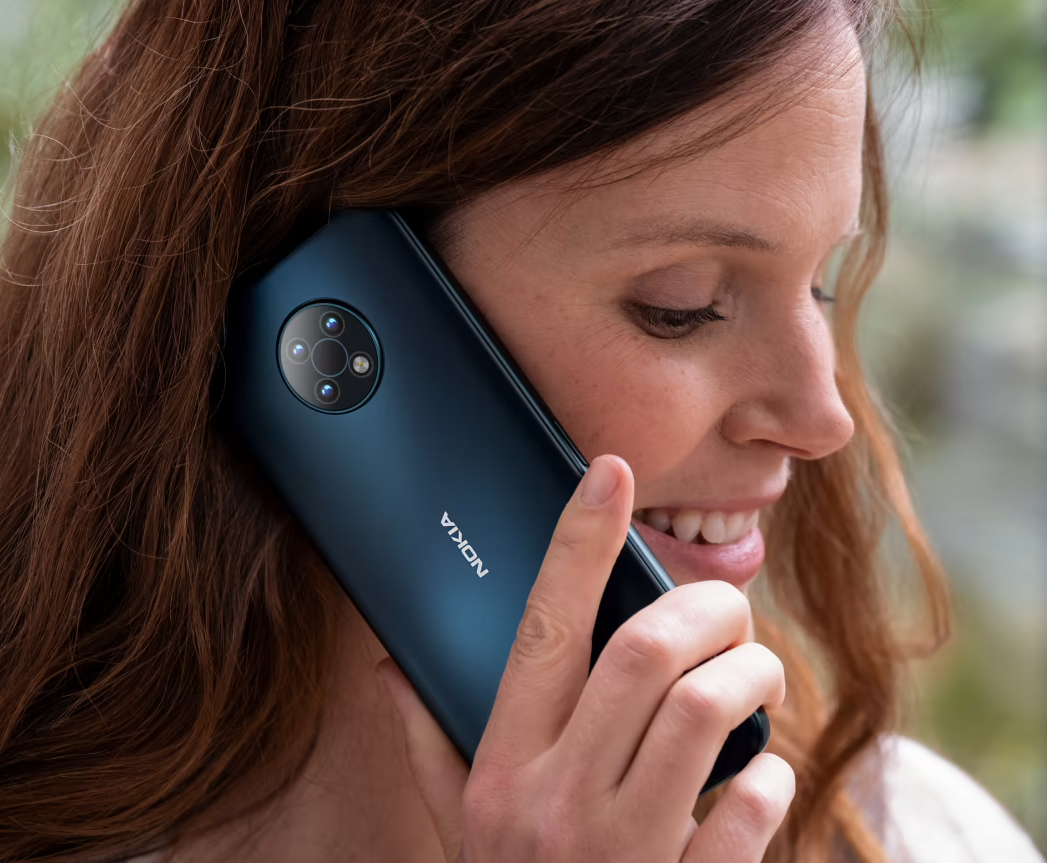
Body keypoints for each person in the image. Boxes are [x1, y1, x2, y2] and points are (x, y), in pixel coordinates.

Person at [0, 1, 1042, 861]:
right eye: (680, 304)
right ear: (336, 308)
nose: (824, 419)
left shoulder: (915, 834)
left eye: (818, 283)